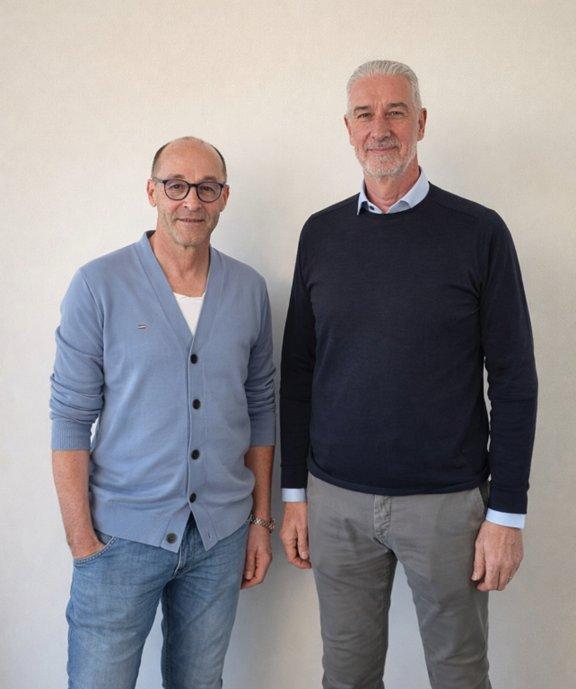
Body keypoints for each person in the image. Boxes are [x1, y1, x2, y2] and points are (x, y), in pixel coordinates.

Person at [279, 60, 537, 689]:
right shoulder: (320, 233)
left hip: (446, 506)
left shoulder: (479, 232)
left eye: (395, 112)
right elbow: (299, 369)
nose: (380, 128)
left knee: (458, 674)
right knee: (346, 675)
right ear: (347, 128)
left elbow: (513, 378)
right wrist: (293, 496)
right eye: (365, 114)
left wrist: (507, 513)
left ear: (420, 122)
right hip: (336, 502)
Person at [50, 136, 276, 689]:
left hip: (220, 538)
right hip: (118, 539)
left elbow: (261, 407)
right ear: (152, 192)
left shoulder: (249, 290)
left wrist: (259, 522)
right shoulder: (98, 285)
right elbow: (71, 418)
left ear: (224, 198)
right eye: (176, 186)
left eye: (207, 188)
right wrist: (82, 542)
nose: (191, 201)